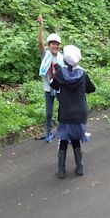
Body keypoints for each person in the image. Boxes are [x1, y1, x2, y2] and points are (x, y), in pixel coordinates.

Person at [50, 45, 95, 179]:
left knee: (63, 139)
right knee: (75, 139)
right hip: (80, 113)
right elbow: (91, 89)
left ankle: (61, 170)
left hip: (65, 113)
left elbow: (53, 85)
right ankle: (79, 167)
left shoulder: (60, 73)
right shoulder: (82, 74)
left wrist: (56, 71)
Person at [37, 14, 64, 142]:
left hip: (60, 89)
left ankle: (62, 130)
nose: (55, 46)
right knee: (48, 113)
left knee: (63, 110)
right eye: (52, 44)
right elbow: (39, 43)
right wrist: (41, 26)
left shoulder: (62, 58)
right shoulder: (45, 56)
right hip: (48, 89)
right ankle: (48, 132)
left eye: (57, 44)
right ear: (49, 45)